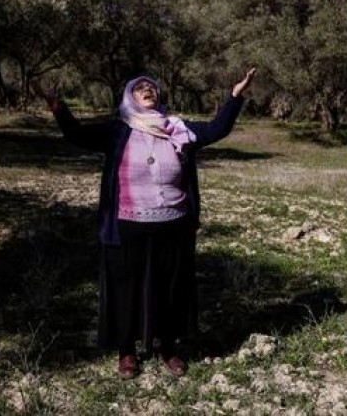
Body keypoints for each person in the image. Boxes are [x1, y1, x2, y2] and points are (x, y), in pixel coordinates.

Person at [35, 69, 255, 379]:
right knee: (127, 289)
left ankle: (167, 347)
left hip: (174, 225)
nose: (147, 89)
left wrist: (235, 96)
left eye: (151, 87)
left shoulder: (177, 128)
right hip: (128, 225)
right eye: (139, 88)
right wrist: (57, 105)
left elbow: (216, 129)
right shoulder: (118, 130)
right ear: (130, 97)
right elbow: (77, 135)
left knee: (169, 288)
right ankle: (126, 351)